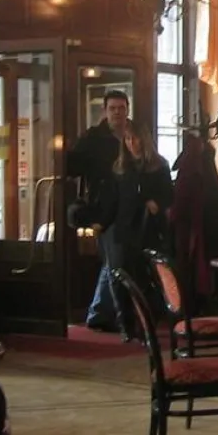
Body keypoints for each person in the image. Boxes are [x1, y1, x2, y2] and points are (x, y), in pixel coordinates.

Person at [92, 120, 172, 338]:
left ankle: (147, 325)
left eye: (134, 138)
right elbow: (112, 201)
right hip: (123, 229)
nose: (131, 143)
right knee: (120, 280)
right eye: (127, 139)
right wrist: (101, 223)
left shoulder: (159, 166)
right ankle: (126, 326)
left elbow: (168, 195)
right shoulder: (120, 168)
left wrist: (156, 203)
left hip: (148, 230)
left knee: (147, 281)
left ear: (144, 139)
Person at [71, 91, 131, 332]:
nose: (117, 112)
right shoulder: (93, 138)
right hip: (105, 209)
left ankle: (98, 313)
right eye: (113, 108)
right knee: (115, 261)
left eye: (121, 108)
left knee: (113, 262)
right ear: (105, 111)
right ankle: (118, 317)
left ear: (127, 109)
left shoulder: (134, 134)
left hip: (128, 206)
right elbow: (73, 166)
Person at [169, 132, 218, 304]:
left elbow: (179, 206)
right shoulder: (203, 171)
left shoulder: (192, 170)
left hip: (194, 232)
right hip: (200, 232)